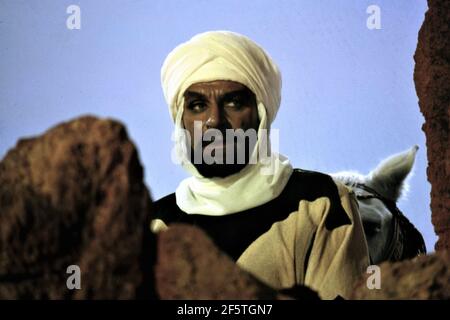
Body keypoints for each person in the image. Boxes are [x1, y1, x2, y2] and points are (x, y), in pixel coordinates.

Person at [151, 30, 370, 300]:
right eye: (197, 105)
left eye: (233, 102)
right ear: (180, 122)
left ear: (261, 115)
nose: (215, 121)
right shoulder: (154, 224)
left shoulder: (319, 204)